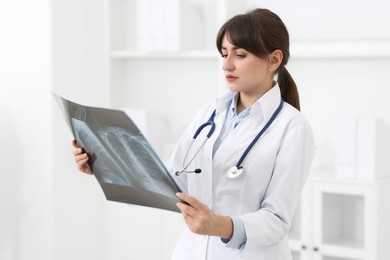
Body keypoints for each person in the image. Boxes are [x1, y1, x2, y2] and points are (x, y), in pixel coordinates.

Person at [72, 8, 314, 260]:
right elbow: (173, 182)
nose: (226, 64)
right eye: (224, 54)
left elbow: (277, 220)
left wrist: (218, 225)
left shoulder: (293, 127)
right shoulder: (211, 111)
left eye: (240, 55)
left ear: (274, 60)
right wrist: (104, 165)